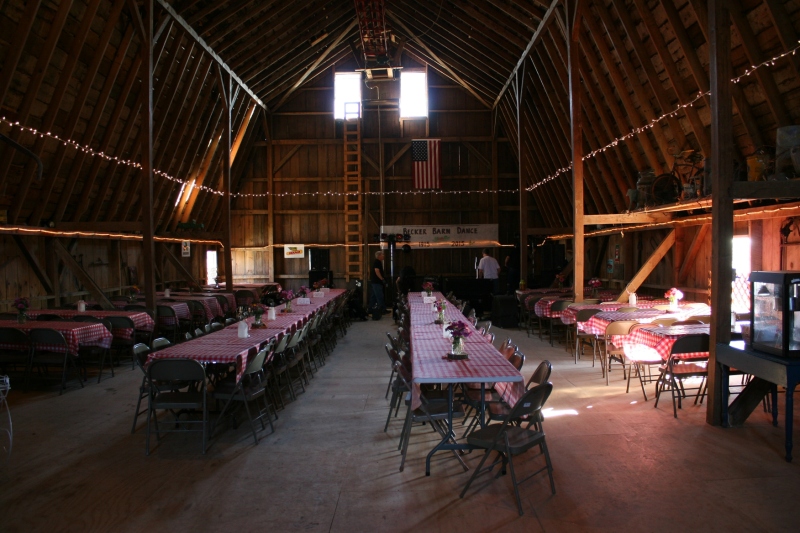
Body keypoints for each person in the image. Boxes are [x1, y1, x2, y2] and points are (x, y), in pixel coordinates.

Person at [369, 250, 387, 319]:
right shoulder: (377, 262)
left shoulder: (377, 262)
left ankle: (370, 309)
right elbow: (377, 271)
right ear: (379, 256)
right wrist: (382, 279)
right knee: (380, 296)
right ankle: (382, 309)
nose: (383, 256)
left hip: (374, 282)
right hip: (377, 282)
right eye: (382, 255)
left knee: (373, 296)